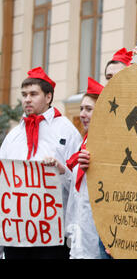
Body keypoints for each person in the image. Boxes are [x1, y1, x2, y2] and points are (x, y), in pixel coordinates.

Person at [0, 67, 82, 259]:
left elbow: (80, 180)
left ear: (48, 97)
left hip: (52, 234)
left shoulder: (67, 131)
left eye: (33, 94)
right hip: (17, 234)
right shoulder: (13, 136)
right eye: (24, 94)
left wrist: (62, 171)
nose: (27, 99)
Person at [45, 77, 105, 259]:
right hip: (80, 231)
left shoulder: (107, 145)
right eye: (81, 109)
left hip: (97, 234)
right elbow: (77, 188)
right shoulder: (85, 143)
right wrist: (62, 169)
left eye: (89, 109)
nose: (83, 114)